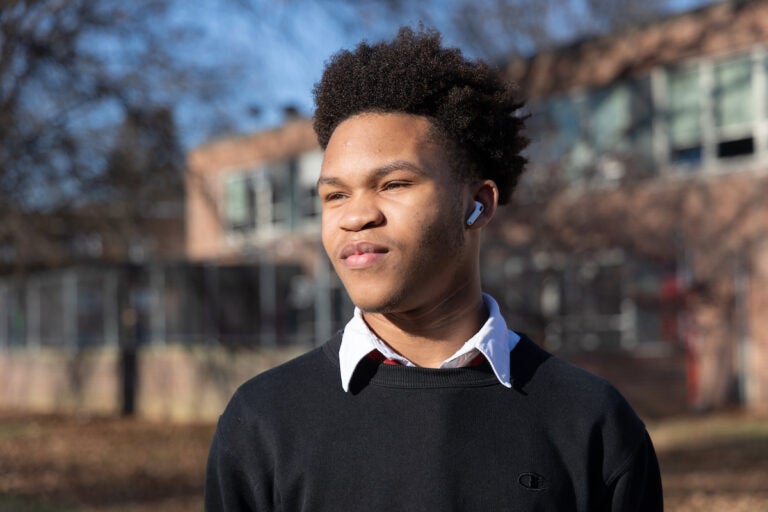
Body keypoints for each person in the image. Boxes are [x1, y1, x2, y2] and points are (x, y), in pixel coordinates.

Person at [205, 27, 663, 511]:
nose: (356, 215)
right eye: (335, 194)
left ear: (478, 204)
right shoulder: (262, 421)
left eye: (394, 183)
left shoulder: (592, 422)